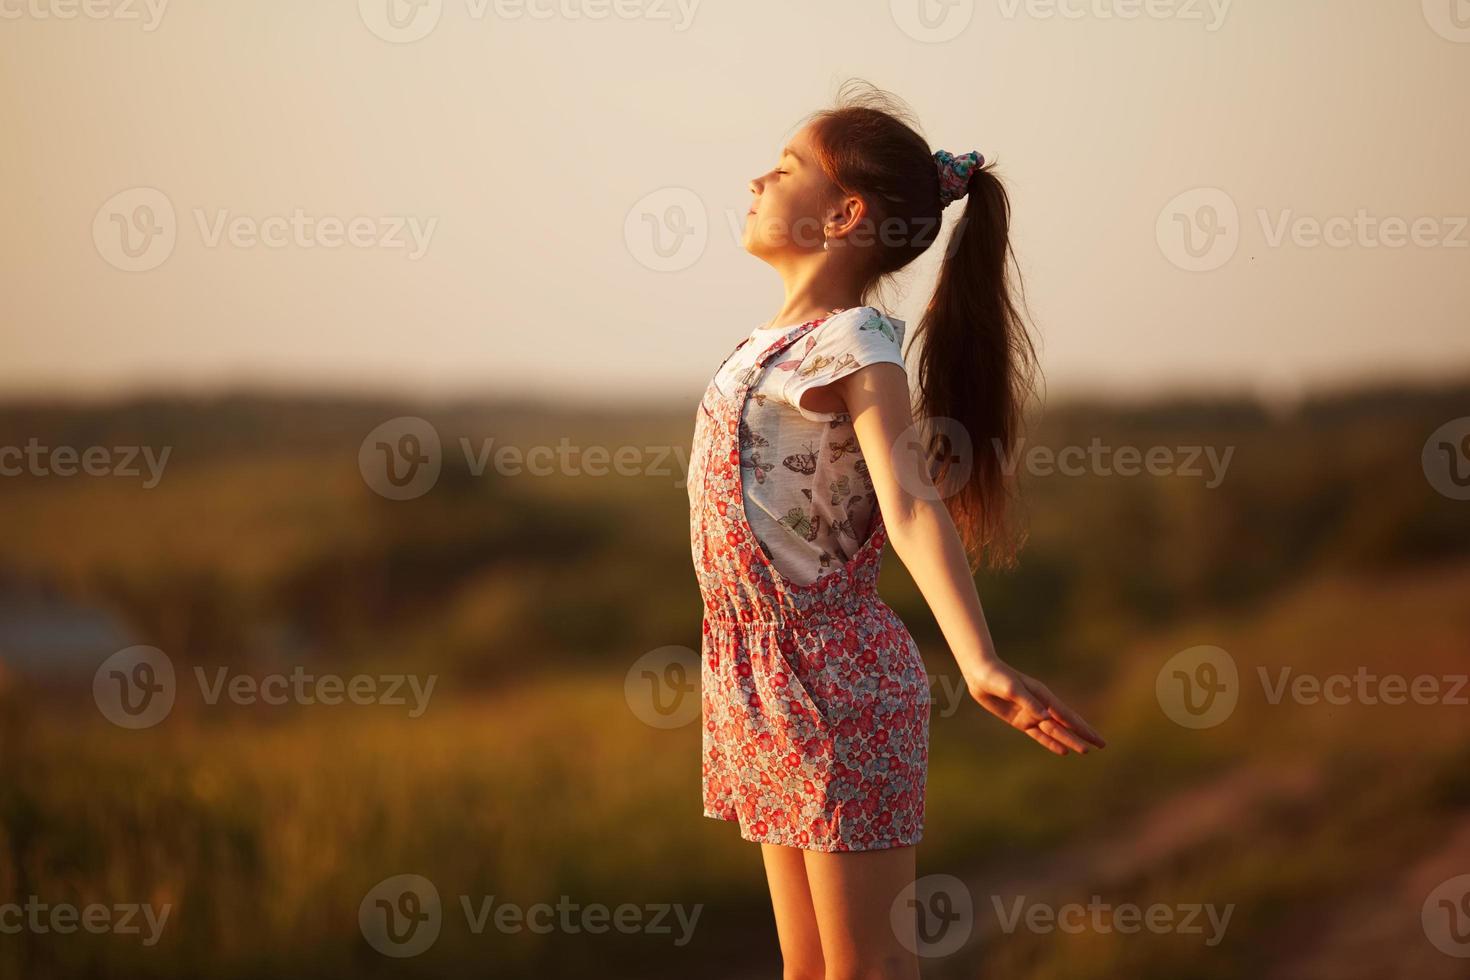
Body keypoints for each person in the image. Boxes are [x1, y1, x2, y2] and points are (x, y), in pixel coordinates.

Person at [687, 79, 1107, 979]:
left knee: (868, 969)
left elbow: (910, 504)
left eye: (786, 164)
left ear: (844, 214)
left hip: (837, 681)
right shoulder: (771, 341)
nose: (758, 178)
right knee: (808, 969)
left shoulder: (857, 341)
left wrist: (979, 659)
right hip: (760, 673)